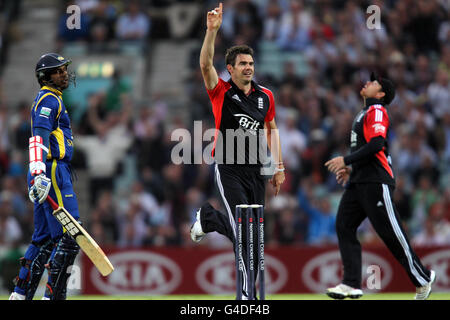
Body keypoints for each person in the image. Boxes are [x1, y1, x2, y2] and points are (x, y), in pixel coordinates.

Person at [190, 3, 285, 300]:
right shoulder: (221, 91)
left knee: (253, 236)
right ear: (230, 69)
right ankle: (246, 296)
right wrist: (212, 32)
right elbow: (205, 65)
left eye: (251, 64)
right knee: (245, 235)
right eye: (242, 64)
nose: (248, 68)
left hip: (256, 170)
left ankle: (208, 219)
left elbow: (271, 130)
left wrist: (278, 167)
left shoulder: (265, 96)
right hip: (228, 166)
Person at [324, 73, 436, 300]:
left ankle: (423, 277)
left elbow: (376, 144)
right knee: (344, 226)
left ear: (381, 94)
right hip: (359, 182)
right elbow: (366, 149)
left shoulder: (376, 111)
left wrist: (345, 160)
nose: (367, 82)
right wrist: (351, 169)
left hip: (376, 181)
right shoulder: (364, 112)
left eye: (374, 83)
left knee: (392, 235)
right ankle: (351, 283)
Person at [9, 53, 81, 300]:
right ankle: (53, 296)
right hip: (51, 169)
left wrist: (36, 170)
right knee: (70, 235)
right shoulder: (49, 99)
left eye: (64, 69)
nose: (64, 74)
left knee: (43, 240)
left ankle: (20, 295)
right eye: (58, 70)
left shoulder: (50, 99)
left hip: (45, 168)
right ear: (45, 76)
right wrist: (39, 170)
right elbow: (38, 136)